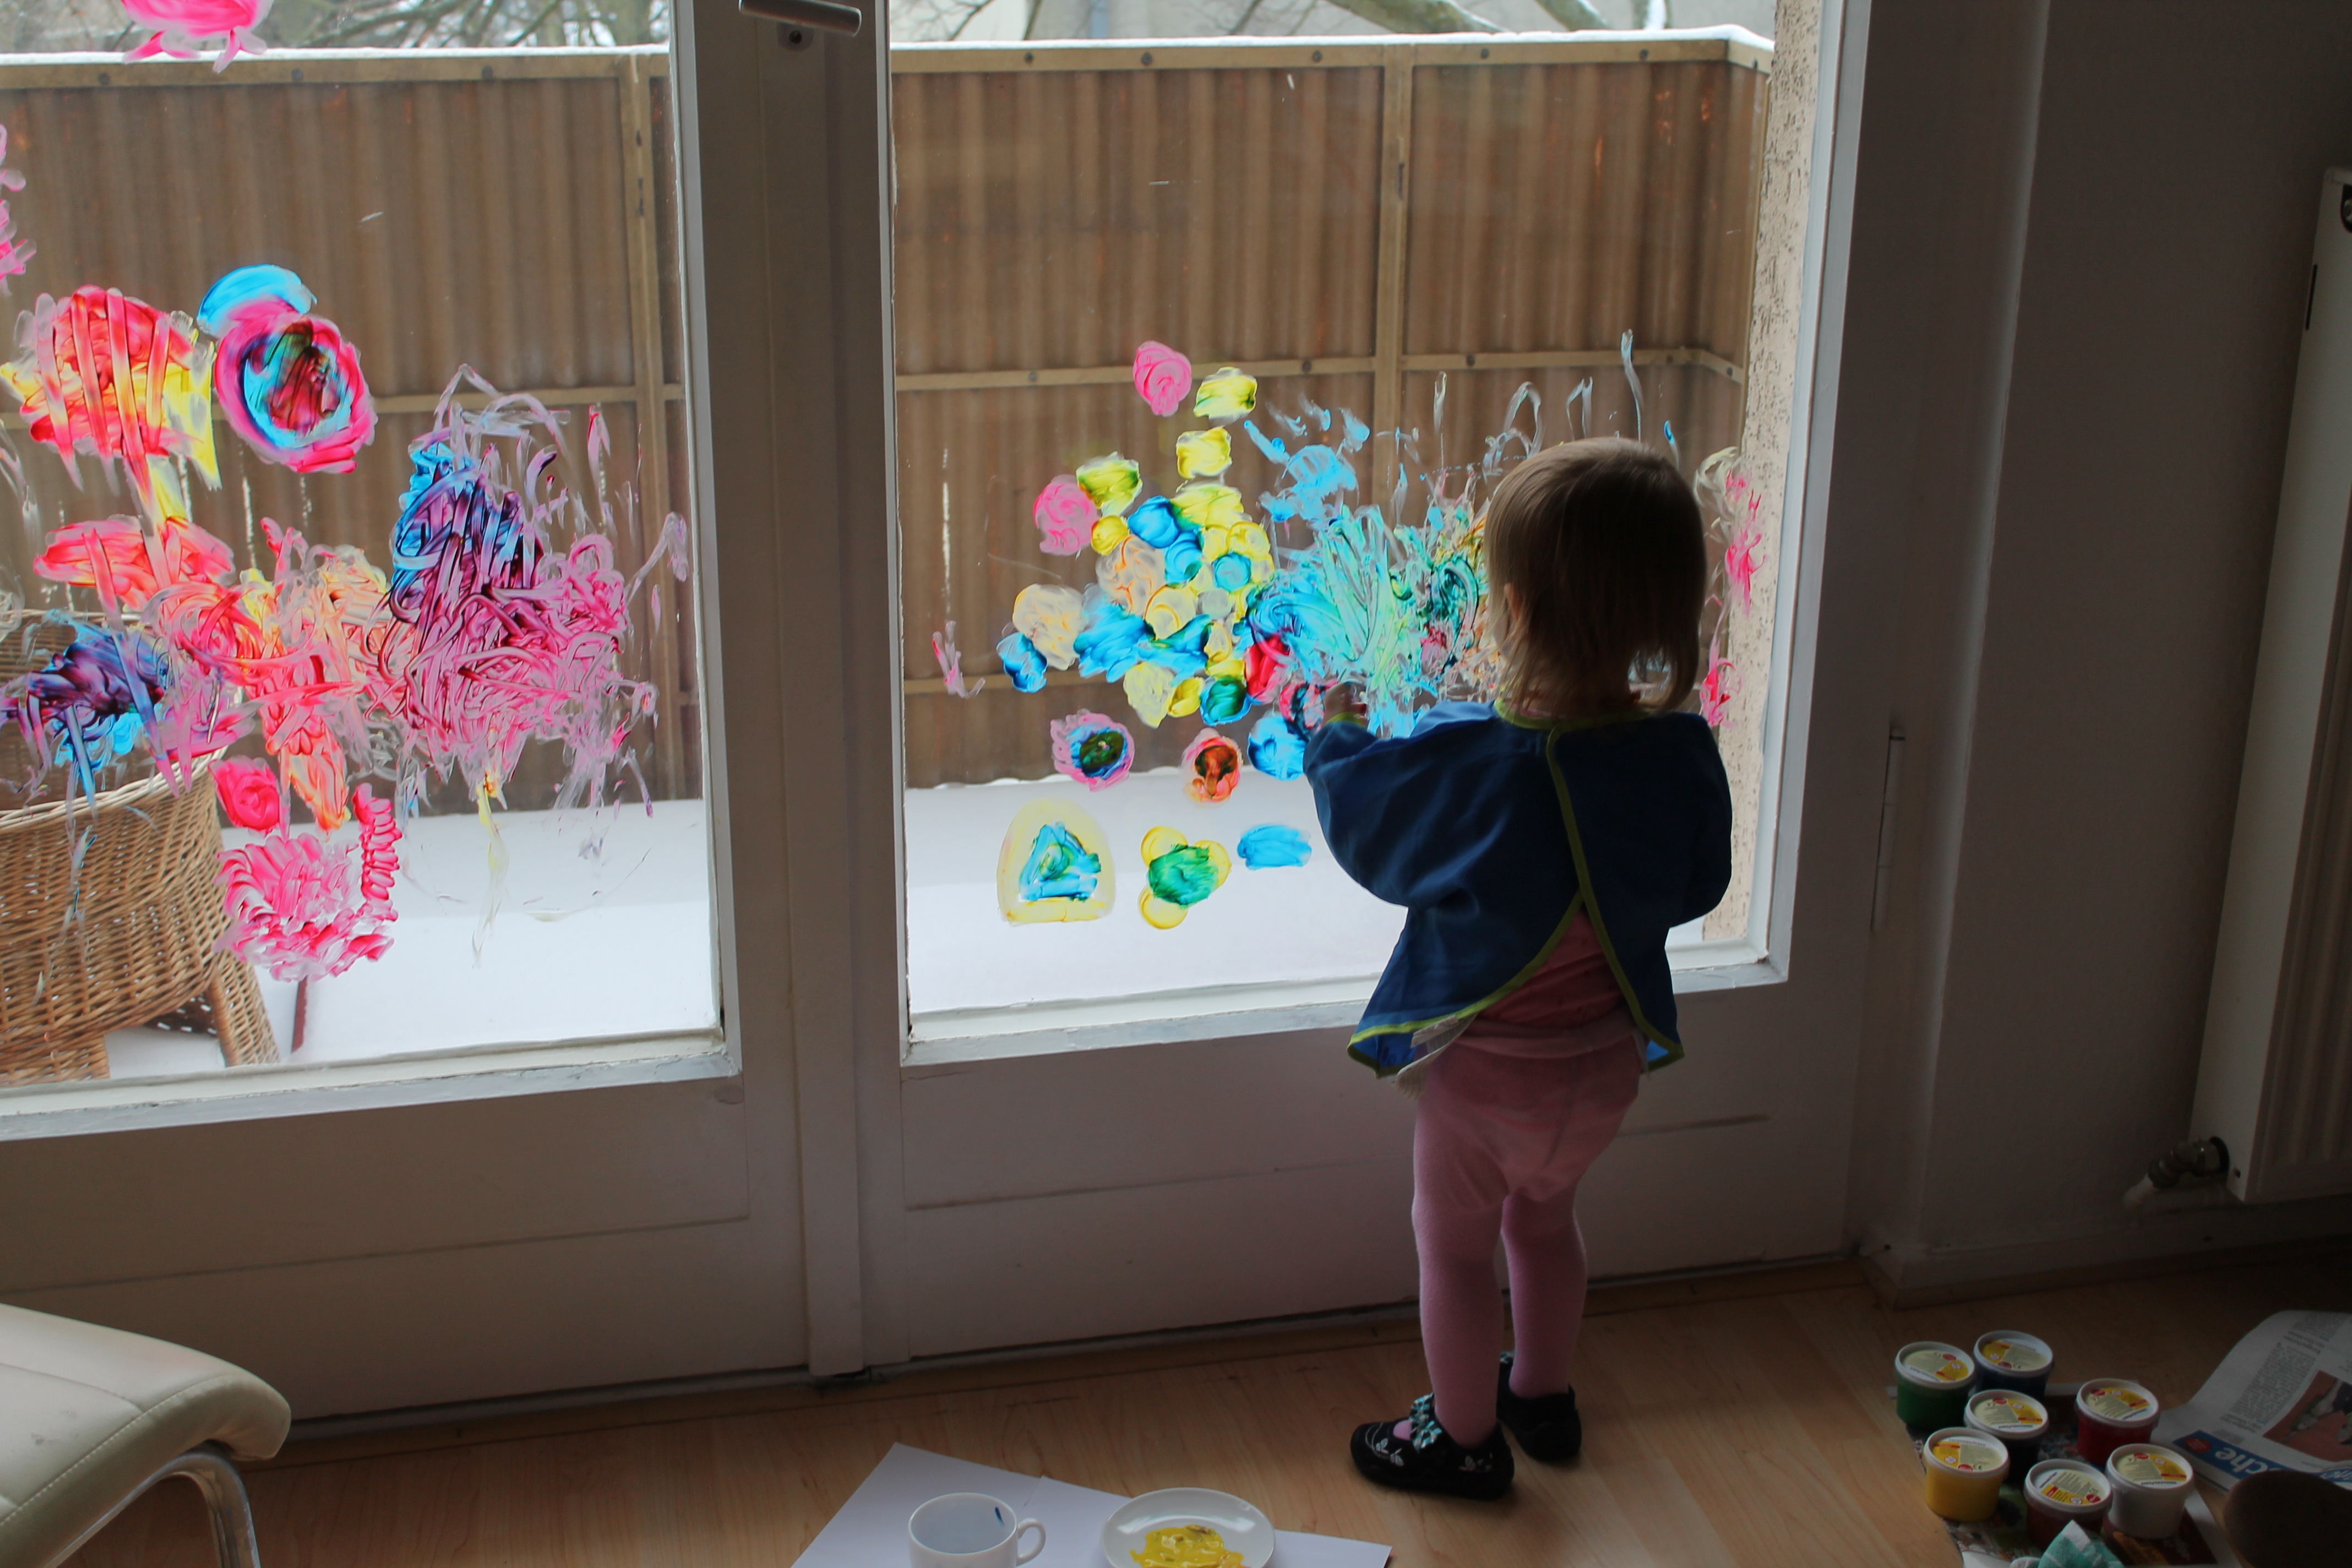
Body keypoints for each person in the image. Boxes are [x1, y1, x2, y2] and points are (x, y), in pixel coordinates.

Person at [1305, 437, 1733, 1500]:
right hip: (1602, 1071)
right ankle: (1541, 1395)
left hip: (1485, 1084)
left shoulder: (1476, 761)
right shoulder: (1678, 755)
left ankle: (1463, 1439)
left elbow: (1374, 836)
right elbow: (1699, 884)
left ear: (1515, 608)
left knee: (1453, 1251)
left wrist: (1338, 733)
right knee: (1545, 1224)